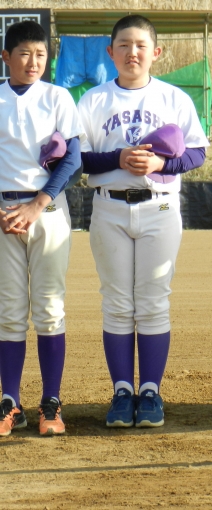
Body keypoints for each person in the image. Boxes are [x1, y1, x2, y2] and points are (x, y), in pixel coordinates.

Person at [78, 15, 209, 428]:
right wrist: (117, 158)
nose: (132, 52)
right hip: (109, 207)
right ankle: (122, 392)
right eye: (123, 44)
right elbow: (78, 157)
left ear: (156, 52)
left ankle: (150, 392)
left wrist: (161, 163)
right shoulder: (93, 100)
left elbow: (197, 152)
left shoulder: (173, 98)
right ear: (110, 52)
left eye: (140, 45)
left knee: (153, 301)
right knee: (117, 303)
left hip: (160, 208)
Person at [0, 20, 84, 436]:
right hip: (3, 213)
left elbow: (73, 159)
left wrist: (37, 204)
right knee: (9, 311)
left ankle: (51, 402)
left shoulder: (57, 96)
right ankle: (9, 402)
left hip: (47, 210)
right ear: (5, 57)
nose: (33, 62)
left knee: (50, 309)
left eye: (40, 55)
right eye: (24, 54)